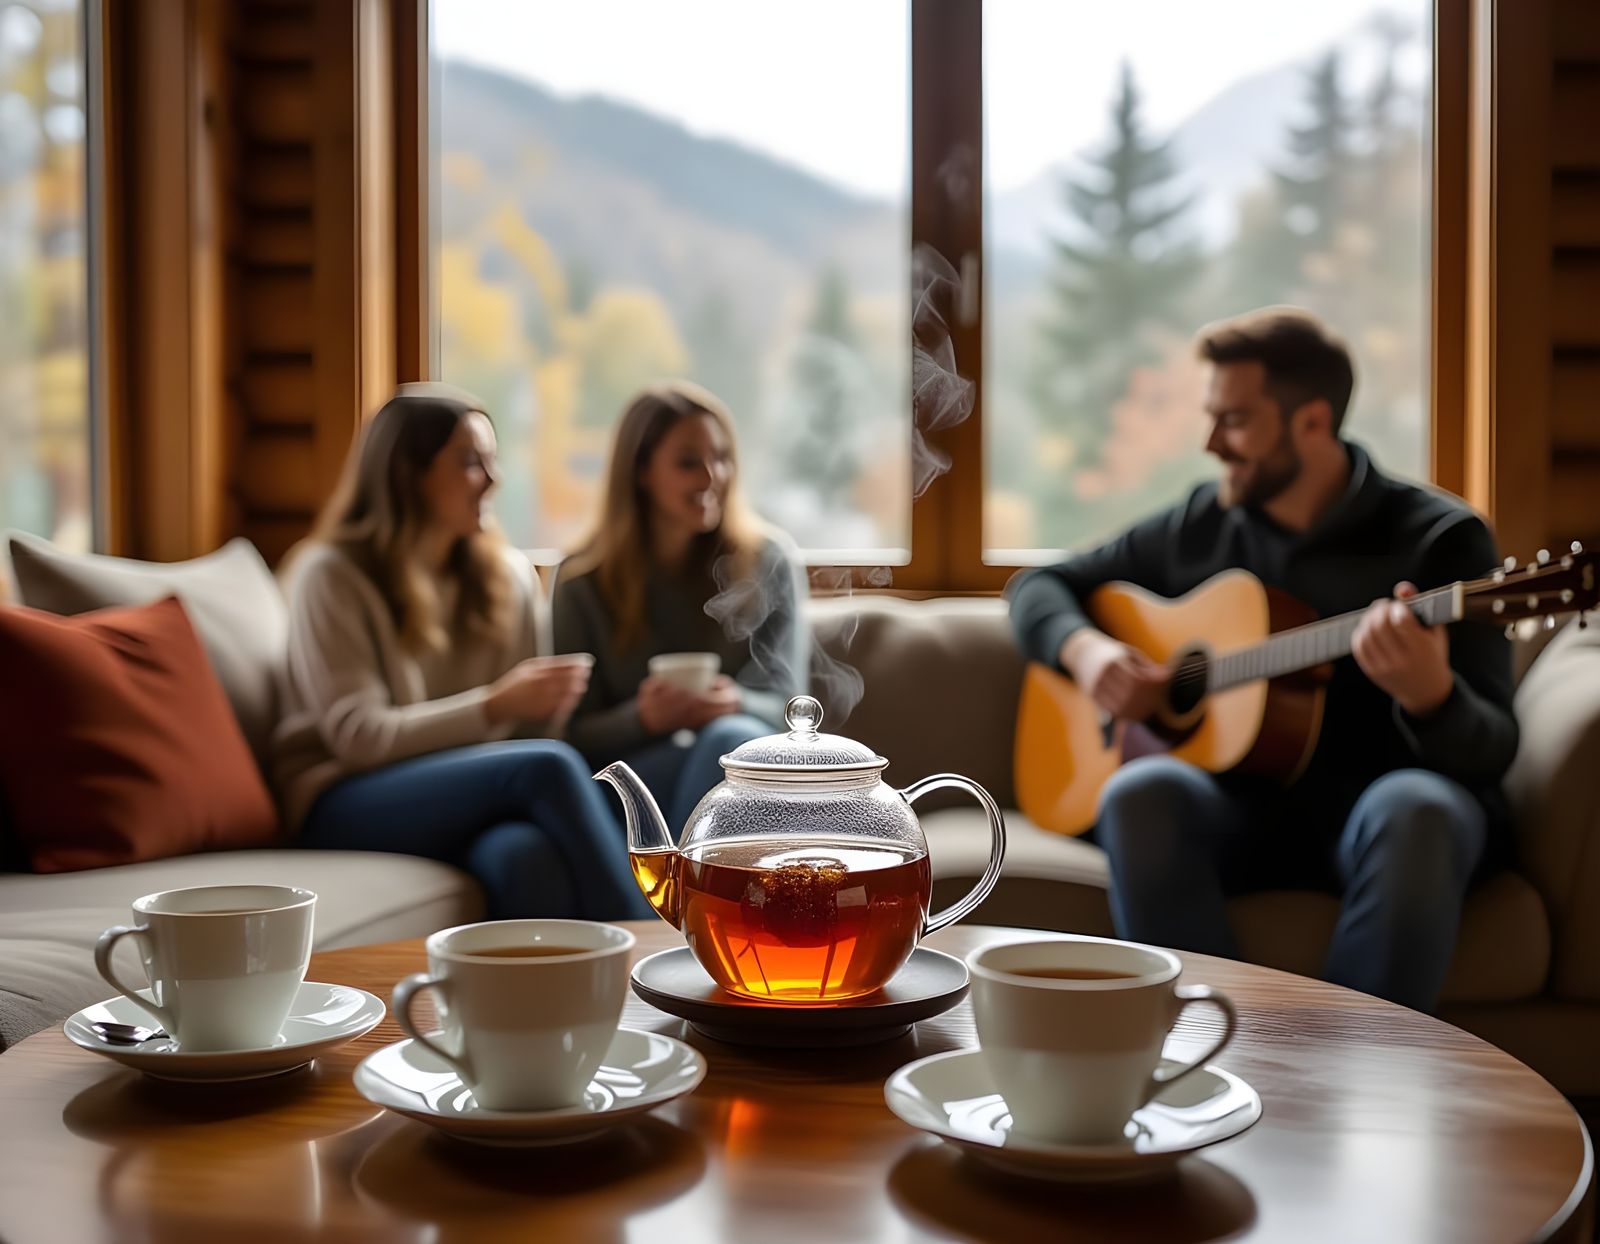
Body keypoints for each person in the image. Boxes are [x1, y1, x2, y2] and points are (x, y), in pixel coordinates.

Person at [1008, 308, 1517, 1012]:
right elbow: (1039, 585)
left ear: (1311, 422)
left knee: (1415, 807)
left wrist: (1433, 697)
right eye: (1212, 417)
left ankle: (1367, 1068)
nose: (1212, 443)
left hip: (1380, 809)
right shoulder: (1202, 522)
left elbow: (1493, 748)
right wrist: (1089, 654)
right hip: (1239, 812)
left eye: (1235, 421)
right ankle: (1203, 1051)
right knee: (1137, 791)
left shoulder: (1442, 543)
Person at [273, 383, 650, 921]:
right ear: (409, 475)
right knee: (547, 769)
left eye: (492, 461)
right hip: (344, 798)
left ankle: (543, 1005)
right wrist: (496, 705)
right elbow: (357, 737)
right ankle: (653, 955)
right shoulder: (332, 576)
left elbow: (527, 740)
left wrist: (546, 706)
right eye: (471, 463)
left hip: (466, 792)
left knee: (520, 857)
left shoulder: (506, 578)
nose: (493, 480)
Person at [553, 381, 808, 837]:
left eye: (724, 457)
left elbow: (793, 706)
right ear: (641, 471)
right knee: (515, 852)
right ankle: (677, 903)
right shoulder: (582, 581)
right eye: (689, 462)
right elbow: (570, 735)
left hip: (742, 774)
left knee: (728, 743)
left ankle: (668, 902)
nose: (713, 477)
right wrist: (642, 719)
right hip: (630, 782)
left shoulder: (767, 562)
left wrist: (734, 702)